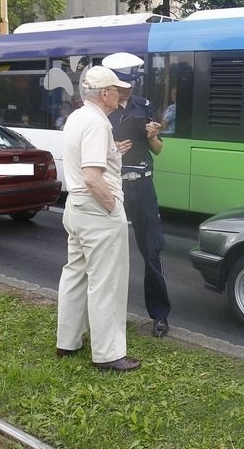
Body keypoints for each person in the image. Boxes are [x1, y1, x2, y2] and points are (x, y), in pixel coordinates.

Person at [56, 65, 141, 372]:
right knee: (107, 282)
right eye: (117, 89)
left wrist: (111, 152)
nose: (122, 94)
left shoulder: (77, 117)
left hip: (76, 208)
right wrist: (112, 207)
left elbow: (85, 164)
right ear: (105, 94)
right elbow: (93, 177)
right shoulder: (97, 123)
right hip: (96, 209)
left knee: (75, 274)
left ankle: (67, 341)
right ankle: (107, 354)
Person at [103, 52, 172, 338]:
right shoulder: (101, 111)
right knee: (107, 253)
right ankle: (106, 314)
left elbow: (157, 149)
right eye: (123, 85)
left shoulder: (144, 106)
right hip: (114, 186)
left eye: (131, 84)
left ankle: (159, 315)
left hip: (142, 185)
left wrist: (154, 134)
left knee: (152, 251)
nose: (128, 89)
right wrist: (113, 149)